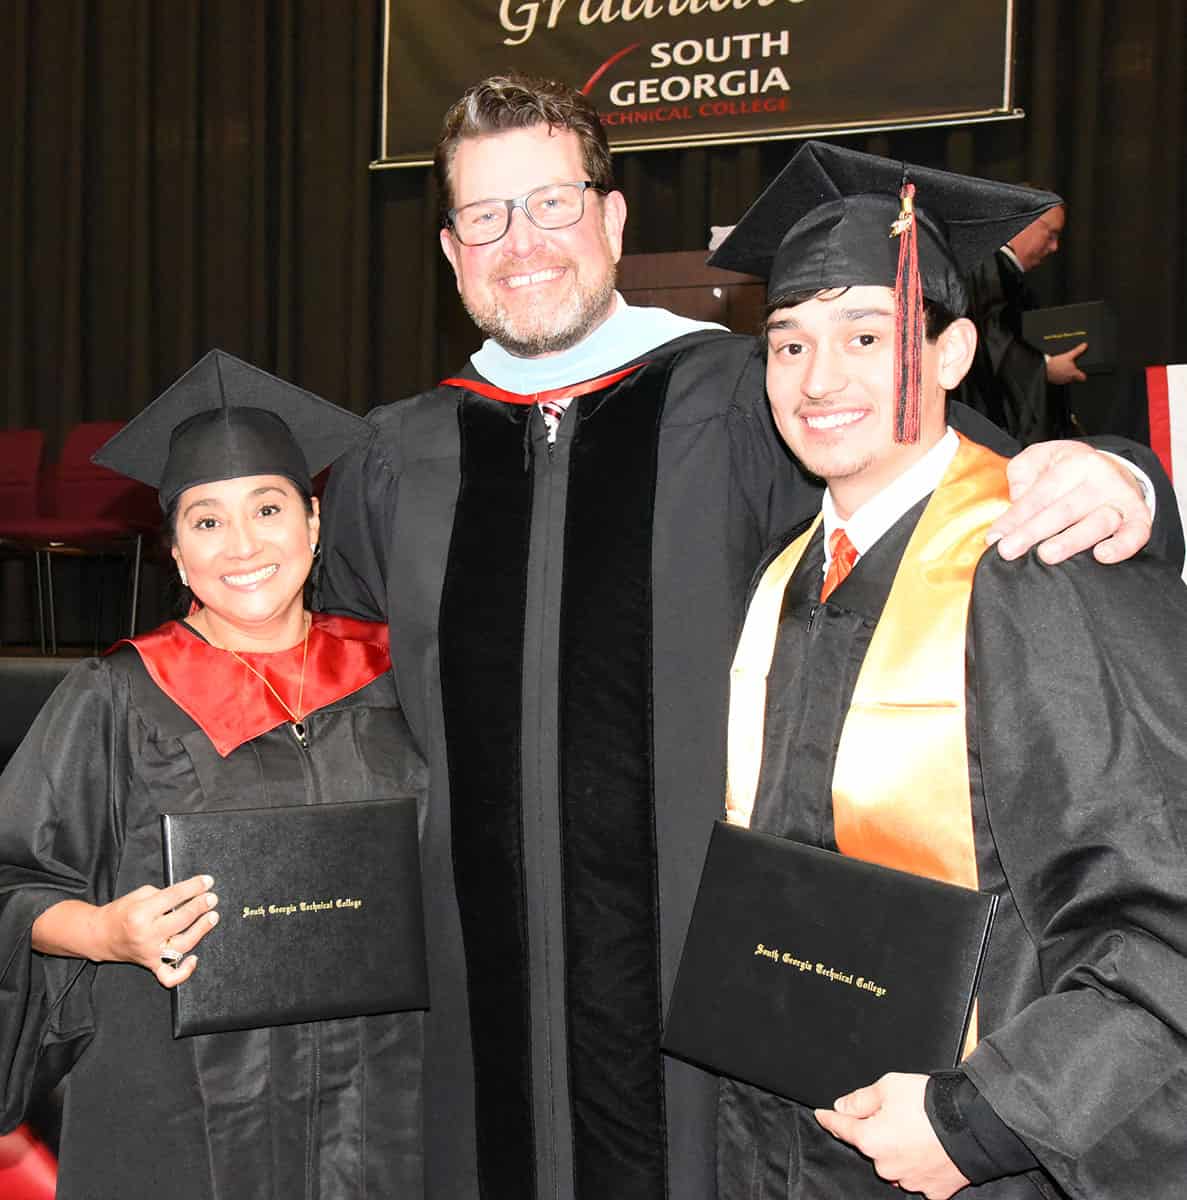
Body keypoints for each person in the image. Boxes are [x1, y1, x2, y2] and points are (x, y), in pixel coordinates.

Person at [318, 75, 1178, 1200]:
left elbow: (954, 484)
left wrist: (1125, 478)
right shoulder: (401, 456)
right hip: (480, 993)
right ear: (448, 245)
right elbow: (329, 686)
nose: (519, 242)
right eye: (484, 215)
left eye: (551, 203)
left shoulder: (747, 398)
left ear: (614, 218)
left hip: (711, 1010)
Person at [714, 140, 1187, 1198]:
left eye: (865, 334)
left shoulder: (1035, 563)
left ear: (953, 350)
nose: (816, 378)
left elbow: (1164, 915)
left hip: (975, 1150)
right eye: (786, 345)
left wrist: (982, 1121)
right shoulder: (783, 575)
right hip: (794, 1144)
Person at [0, 351, 429, 1199]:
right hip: (171, 1087)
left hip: (386, 1088)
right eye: (206, 521)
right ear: (175, 551)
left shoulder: (403, 678)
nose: (242, 546)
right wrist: (106, 933)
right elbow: (11, 882)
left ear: (313, 520)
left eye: (268, 508)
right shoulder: (118, 696)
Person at [956, 203, 1088, 443]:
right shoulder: (989, 268)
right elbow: (993, 341)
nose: (1054, 247)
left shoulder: (1004, 273)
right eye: (1051, 234)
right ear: (1023, 223)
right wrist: (1045, 368)